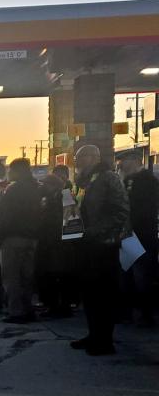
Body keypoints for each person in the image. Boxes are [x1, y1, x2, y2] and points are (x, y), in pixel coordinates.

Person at [71, 145, 129, 356]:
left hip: (104, 245)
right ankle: (93, 334)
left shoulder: (108, 178)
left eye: (80, 158)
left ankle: (105, 340)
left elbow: (120, 211)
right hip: (85, 245)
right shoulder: (83, 182)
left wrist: (95, 231)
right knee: (90, 293)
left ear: (93, 157)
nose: (76, 162)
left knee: (103, 294)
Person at [0, 158, 41, 324]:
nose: (8, 173)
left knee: (11, 277)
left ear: (17, 171)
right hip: (32, 239)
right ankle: (28, 309)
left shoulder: (12, 191)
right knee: (27, 277)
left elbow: (5, 217)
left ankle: (15, 312)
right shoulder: (36, 189)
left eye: (10, 170)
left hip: (13, 239)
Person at [119, 154, 159, 327]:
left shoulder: (147, 181)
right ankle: (128, 311)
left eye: (125, 162)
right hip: (129, 234)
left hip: (143, 234)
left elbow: (145, 208)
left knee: (142, 275)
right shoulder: (128, 180)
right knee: (126, 273)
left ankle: (146, 314)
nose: (121, 165)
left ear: (135, 161)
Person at [35, 174, 71, 318]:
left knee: (58, 276)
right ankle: (52, 305)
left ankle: (60, 306)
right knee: (49, 275)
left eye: (46, 184)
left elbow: (68, 220)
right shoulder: (49, 199)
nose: (43, 187)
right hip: (49, 243)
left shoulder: (65, 197)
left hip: (59, 245)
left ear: (54, 186)